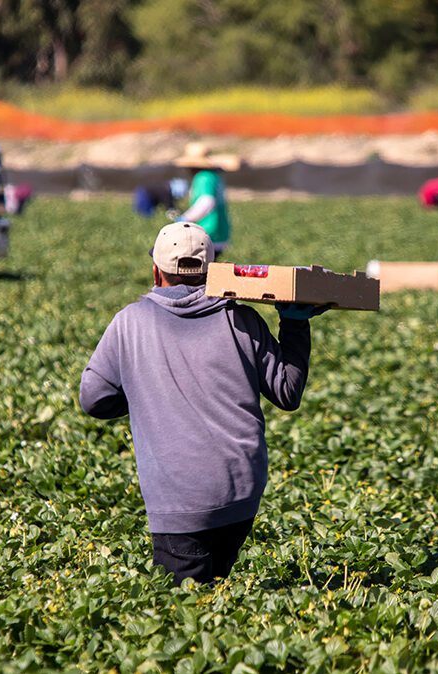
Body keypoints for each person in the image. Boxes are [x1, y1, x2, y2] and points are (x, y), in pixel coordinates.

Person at [79, 222, 328, 585]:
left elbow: (93, 399)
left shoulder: (130, 322)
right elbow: (287, 393)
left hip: (179, 500)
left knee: (184, 615)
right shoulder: (241, 318)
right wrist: (294, 324)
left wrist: (142, 391)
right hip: (241, 493)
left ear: (155, 271)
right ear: (212, 269)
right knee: (217, 595)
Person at [174, 143, 241, 257]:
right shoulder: (214, 176)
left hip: (208, 231)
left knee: (202, 270)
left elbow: (206, 202)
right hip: (220, 230)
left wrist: (185, 219)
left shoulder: (203, 177)